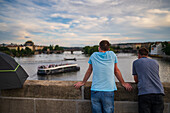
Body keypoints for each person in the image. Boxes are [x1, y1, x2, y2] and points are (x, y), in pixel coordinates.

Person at [74, 40, 132, 113]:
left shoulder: (93, 55)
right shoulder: (112, 54)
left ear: (99, 48)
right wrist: (123, 83)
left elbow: (89, 70)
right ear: (109, 49)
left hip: (95, 90)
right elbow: (116, 71)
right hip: (108, 90)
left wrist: (83, 82)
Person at [132, 48, 164, 113]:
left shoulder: (136, 62)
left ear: (139, 55)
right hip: (159, 92)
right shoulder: (155, 62)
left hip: (144, 93)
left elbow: (136, 79)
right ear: (147, 54)